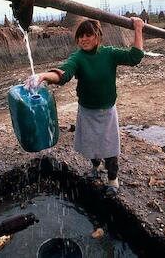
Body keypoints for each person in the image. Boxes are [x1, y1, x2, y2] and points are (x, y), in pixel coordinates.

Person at [31, 17, 144, 197]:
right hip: (86, 110)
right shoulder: (78, 57)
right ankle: (95, 166)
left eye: (88, 35)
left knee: (110, 145)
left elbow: (135, 57)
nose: (84, 39)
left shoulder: (109, 54)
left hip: (106, 111)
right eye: (80, 36)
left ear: (97, 36)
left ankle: (113, 179)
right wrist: (43, 76)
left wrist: (138, 28)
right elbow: (64, 74)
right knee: (91, 142)